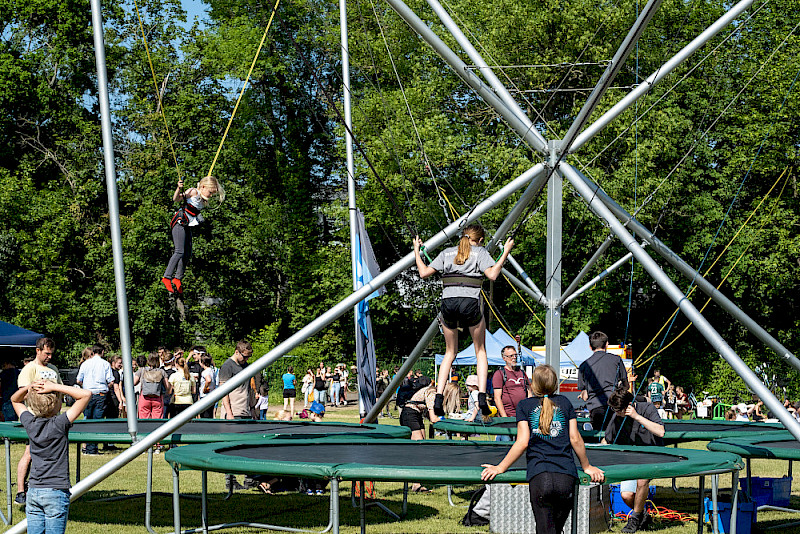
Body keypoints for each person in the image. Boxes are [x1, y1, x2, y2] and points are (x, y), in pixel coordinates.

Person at [480, 365, 604, 534]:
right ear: (555, 384)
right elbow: (575, 438)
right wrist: (587, 466)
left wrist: (500, 467)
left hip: (540, 476)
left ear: (532, 384)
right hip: (565, 476)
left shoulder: (524, 405)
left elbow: (522, 442)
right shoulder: (565, 403)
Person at [413, 224, 514, 417]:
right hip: (470, 303)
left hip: (448, 304)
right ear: (481, 240)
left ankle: (439, 397)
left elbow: (424, 272)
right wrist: (505, 253)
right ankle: (482, 396)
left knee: (450, 352)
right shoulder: (480, 253)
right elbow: (492, 274)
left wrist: (417, 251)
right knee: (480, 351)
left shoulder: (447, 253)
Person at [11, 380, 91, 534]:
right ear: (57, 404)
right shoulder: (60, 424)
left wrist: (30, 387)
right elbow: (85, 395)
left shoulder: (30, 423)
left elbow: (15, 399)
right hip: (56, 491)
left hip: (33, 491)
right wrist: (54, 387)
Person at [602, 389, 665, 533]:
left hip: (652, 455)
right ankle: (643, 515)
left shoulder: (647, 408)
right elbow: (607, 439)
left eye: (619, 411)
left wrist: (637, 417)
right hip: (632, 459)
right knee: (626, 494)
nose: (617, 414)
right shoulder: (617, 415)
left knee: (642, 481)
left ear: (630, 406)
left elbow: (661, 431)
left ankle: (634, 520)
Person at [15, 338, 63, 505]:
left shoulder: (54, 369)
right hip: (34, 419)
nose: (49, 356)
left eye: (51, 354)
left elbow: (60, 391)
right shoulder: (29, 369)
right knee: (29, 453)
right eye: (46, 353)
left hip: (53, 420)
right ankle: (21, 491)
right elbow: (21, 394)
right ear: (38, 350)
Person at [161, 175, 225, 293]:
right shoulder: (193, 192)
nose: (210, 195)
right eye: (210, 192)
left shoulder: (202, 198)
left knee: (187, 252)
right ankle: (166, 277)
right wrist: (178, 189)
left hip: (187, 225)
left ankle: (177, 278)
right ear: (203, 187)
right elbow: (176, 199)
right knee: (179, 251)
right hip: (179, 222)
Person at [218, 341, 255, 490]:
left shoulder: (245, 366)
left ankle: (249, 479)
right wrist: (230, 414)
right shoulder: (227, 366)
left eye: (249, 357)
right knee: (231, 448)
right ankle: (230, 480)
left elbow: (249, 389)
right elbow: (223, 391)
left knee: (247, 447)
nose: (246, 360)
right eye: (245, 357)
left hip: (245, 411)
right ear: (237, 352)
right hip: (233, 412)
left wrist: (252, 409)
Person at [577, 331, 629, 431]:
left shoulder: (584, 366)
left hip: (595, 407)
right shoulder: (616, 360)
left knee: (599, 437)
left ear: (590, 347)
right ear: (607, 344)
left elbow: (585, 395)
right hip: (615, 405)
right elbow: (626, 385)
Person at [75, 344, 114, 454]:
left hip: (87, 394)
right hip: (100, 394)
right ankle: (93, 448)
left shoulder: (85, 364)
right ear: (102, 352)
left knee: (88, 419)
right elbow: (110, 380)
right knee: (97, 421)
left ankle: (87, 447)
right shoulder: (105, 364)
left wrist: (86, 384)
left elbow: (78, 380)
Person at [492, 345, 531, 418]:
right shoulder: (499, 374)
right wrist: (504, 417)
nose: (514, 358)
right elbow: (497, 398)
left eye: (515, 355)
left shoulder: (522, 373)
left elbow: (529, 393)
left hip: (523, 415)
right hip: (509, 415)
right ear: (504, 358)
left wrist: (529, 411)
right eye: (511, 356)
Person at [133, 353, 172, 419]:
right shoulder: (162, 371)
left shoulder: (142, 370)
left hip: (144, 398)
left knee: (144, 419)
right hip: (157, 398)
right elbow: (167, 386)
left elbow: (134, 383)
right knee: (157, 419)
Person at [198, 354, 217, 418]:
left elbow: (208, 380)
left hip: (205, 396)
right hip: (211, 396)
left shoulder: (205, 372)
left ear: (202, 363)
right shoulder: (212, 370)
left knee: (204, 416)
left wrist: (204, 388)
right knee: (209, 415)